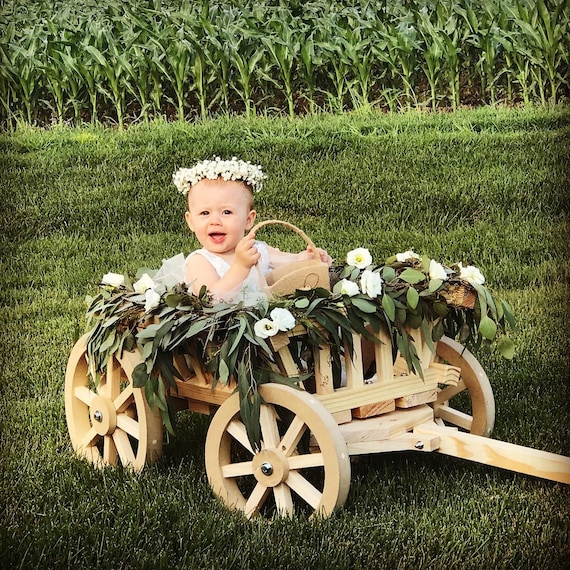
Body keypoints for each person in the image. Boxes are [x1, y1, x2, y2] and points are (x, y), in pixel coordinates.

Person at [170, 157, 332, 304]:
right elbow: (211, 300)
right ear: (190, 221)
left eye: (227, 212)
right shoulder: (199, 261)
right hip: (222, 332)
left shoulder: (258, 250)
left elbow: (290, 262)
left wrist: (307, 257)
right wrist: (240, 267)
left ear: (248, 219)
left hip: (263, 325)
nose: (215, 221)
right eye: (205, 213)